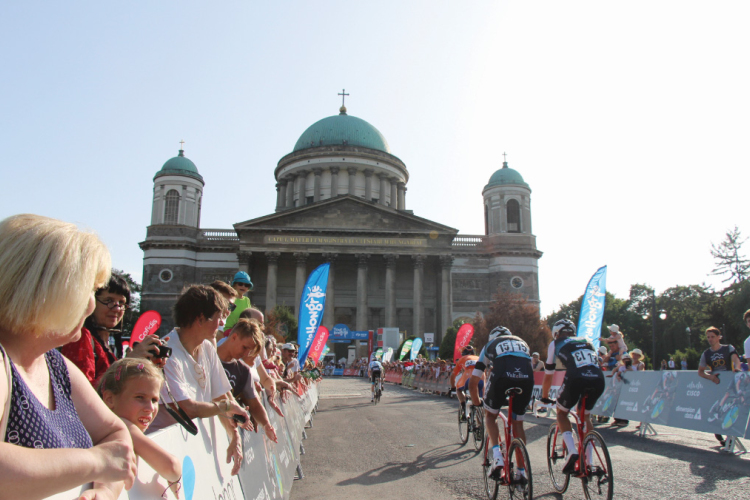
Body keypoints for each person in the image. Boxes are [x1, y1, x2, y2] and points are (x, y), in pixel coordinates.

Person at [0, 214, 136, 499]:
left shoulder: (55, 364)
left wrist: (103, 491)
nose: (91, 303)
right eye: (90, 289)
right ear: (48, 291)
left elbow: (115, 436)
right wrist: (97, 463)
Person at [149, 285, 250, 475]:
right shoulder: (167, 354)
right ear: (200, 319)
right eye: (218, 317)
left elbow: (221, 394)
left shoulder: (208, 348)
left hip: (190, 450)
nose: (222, 323)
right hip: (163, 454)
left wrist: (234, 434)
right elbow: (187, 408)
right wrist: (227, 408)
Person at [62, 273, 167, 386]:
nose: (117, 308)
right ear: (90, 301)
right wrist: (129, 362)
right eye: (108, 300)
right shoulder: (80, 337)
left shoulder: (107, 343)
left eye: (121, 303)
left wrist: (146, 366)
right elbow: (81, 390)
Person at [98, 358, 182, 497]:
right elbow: (172, 468)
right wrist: (176, 479)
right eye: (140, 397)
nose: (150, 408)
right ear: (110, 399)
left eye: (154, 400)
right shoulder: (122, 425)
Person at [469, 326, 533, 482]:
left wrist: (478, 404)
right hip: (526, 377)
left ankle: (497, 456)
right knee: (518, 424)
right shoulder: (522, 343)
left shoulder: (490, 345)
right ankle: (521, 471)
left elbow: (474, 381)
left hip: (502, 375)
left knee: (490, 415)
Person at [541, 319, 605, 474]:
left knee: (562, 413)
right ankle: (589, 461)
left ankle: (572, 451)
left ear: (556, 333)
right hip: (598, 378)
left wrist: (544, 396)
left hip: (576, 377)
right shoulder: (587, 340)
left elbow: (549, 374)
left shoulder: (555, 343)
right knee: (586, 417)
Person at [217, 318, 278, 442]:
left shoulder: (243, 371)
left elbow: (254, 404)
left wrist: (266, 425)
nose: (246, 354)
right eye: (244, 347)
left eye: (250, 351)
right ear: (234, 337)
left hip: (223, 436)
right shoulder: (207, 357)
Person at [698, 326, 741, 447]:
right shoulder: (706, 354)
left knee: (730, 407)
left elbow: (735, 359)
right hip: (716, 384)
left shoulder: (728, 348)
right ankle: (718, 432)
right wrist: (710, 377)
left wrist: (737, 368)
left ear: (718, 337)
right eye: (708, 337)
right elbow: (700, 371)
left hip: (730, 383)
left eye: (712, 337)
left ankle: (730, 436)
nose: (710, 339)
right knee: (717, 408)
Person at [450, 346, 480, 421]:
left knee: (458, 389)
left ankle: (464, 407)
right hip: (481, 378)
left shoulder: (462, 359)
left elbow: (453, 376)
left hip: (468, 378)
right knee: (479, 403)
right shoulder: (479, 358)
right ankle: (480, 426)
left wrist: (453, 387)